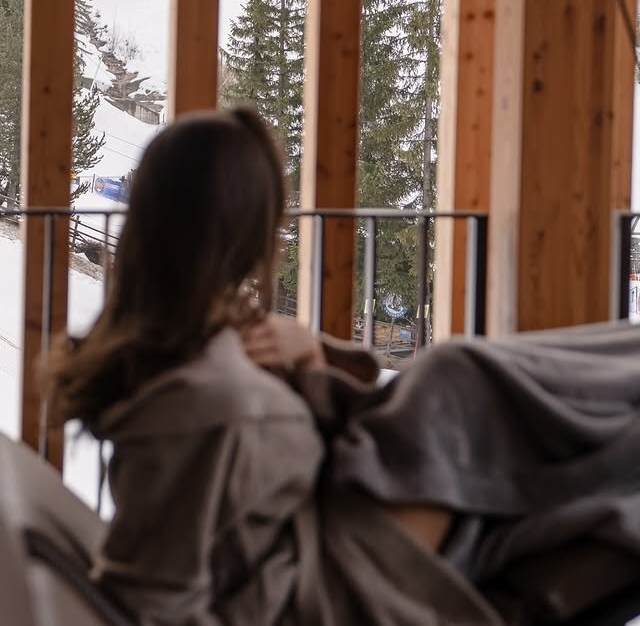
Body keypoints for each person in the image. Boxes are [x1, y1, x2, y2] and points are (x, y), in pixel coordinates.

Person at [46, 108, 640, 626]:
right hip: (334, 580)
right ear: (237, 230)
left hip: (336, 532)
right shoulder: (202, 399)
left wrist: (309, 356)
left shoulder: (186, 343)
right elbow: (153, 597)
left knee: (459, 376)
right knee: (458, 377)